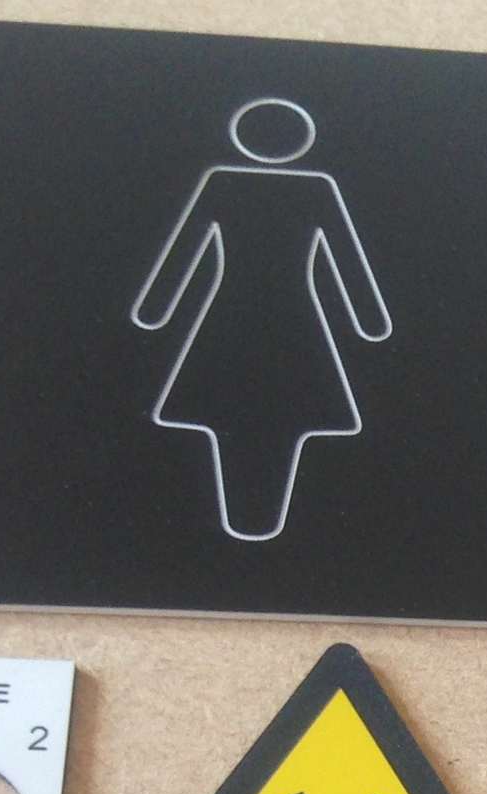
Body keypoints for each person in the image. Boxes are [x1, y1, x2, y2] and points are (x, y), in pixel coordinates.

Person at [131, 98, 392, 541]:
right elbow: (350, 268)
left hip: (230, 316)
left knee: (230, 411)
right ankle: (254, 526)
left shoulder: (225, 184)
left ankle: (250, 527)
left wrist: (155, 313)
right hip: (295, 318)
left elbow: (180, 258)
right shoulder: (312, 190)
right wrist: (367, 324)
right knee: (287, 415)